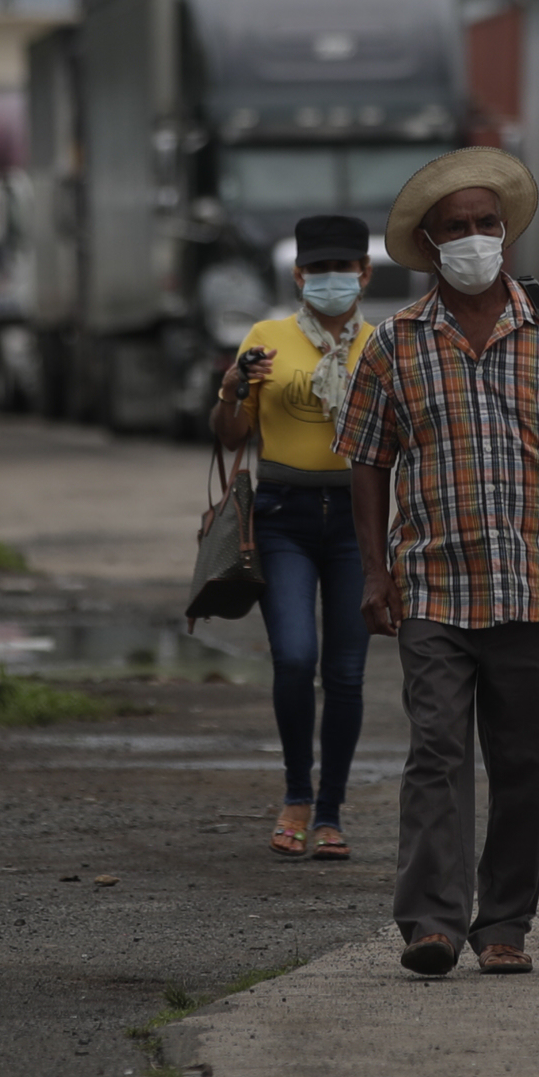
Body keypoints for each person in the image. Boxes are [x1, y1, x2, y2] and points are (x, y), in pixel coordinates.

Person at [335, 148, 539, 979]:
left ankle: (505, 921)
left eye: (486, 224)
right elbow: (366, 460)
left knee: (521, 762)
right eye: (457, 228)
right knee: (435, 751)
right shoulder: (394, 344)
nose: (475, 239)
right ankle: (431, 920)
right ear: (430, 246)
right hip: (435, 582)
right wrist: (373, 570)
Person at [208, 215, 375, 863]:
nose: (333, 282)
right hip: (282, 516)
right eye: (319, 271)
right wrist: (231, 389)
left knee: (347, 672)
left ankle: (331, 811)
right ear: (299, 276)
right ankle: (296, 795)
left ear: (364, 274)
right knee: (297, 658)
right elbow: (229, 434)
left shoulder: (385, 345)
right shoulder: (265, 338)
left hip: (358, 519)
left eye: (345, 270)